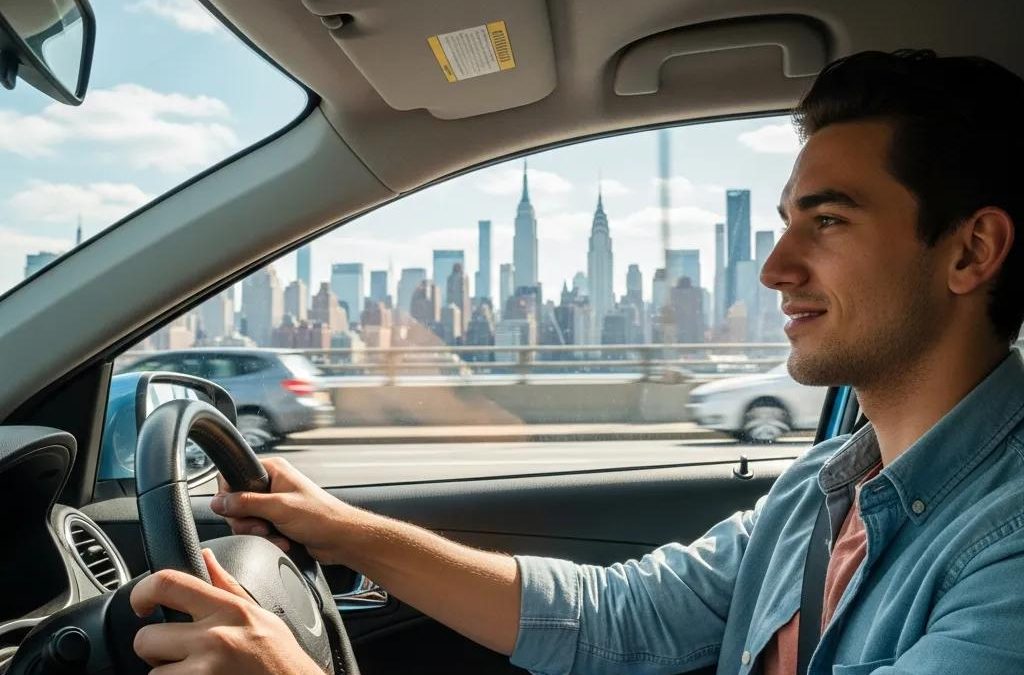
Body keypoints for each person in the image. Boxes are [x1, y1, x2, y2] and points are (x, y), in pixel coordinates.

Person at [130, 49, 1024, 674]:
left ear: (969, 251)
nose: (773, 267)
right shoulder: (824, 485)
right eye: (787, 218)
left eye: (827, 221)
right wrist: (345, 528)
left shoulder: (1007, 547)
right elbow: (619, 615)